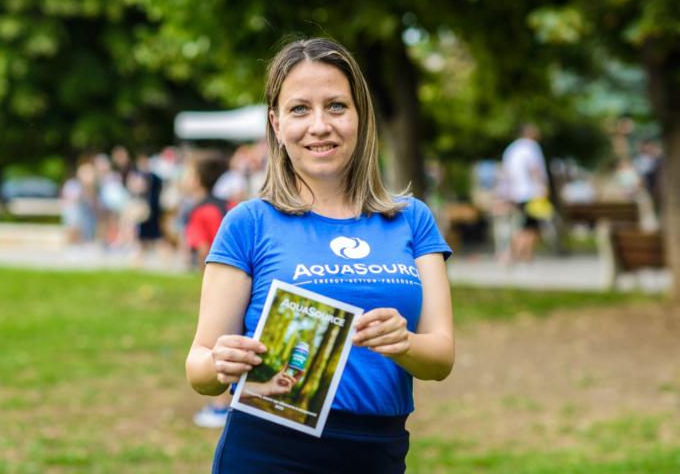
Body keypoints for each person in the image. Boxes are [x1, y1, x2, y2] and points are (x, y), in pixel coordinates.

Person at [185, 38, 454, 473]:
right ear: (275, 123)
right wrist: (217, 362)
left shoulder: (412, 220)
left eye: (335, 106)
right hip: (266, 450)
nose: (319, 125)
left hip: (377, 453)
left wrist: (403, 343)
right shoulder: (248, 223)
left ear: (360, 116)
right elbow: (197, 366)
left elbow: (441, 358)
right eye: (299, 109)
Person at [500, 123, 550, 263]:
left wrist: (506, 193)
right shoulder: (531, 147)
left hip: (516, 193)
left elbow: (506, 172)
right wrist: (542, 187)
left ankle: (526, 254)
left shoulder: (511, 149)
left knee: (528, 225)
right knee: (530, 226)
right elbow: (534, 168)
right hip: (531, 192)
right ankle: (510, 254)